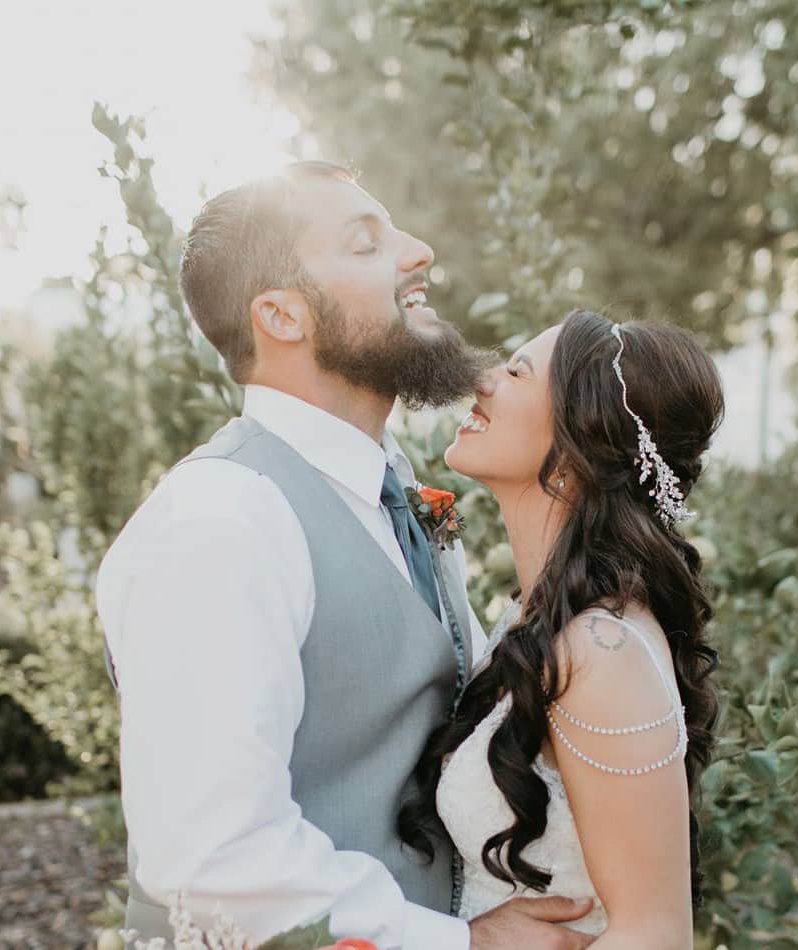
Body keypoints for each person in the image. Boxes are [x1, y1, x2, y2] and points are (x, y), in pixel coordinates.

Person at [96, 162, 597, 949]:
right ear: (283, 316)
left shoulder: (391, 489)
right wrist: (469, 945)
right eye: (367, 244)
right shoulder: (219, 522)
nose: (419, 251)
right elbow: (211, 857)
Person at [400, 310, 724, 948]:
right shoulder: (539, 617)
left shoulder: (600, 650)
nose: (484, 380)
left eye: (517, 372)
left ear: (579, 446)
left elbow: (655, 935)